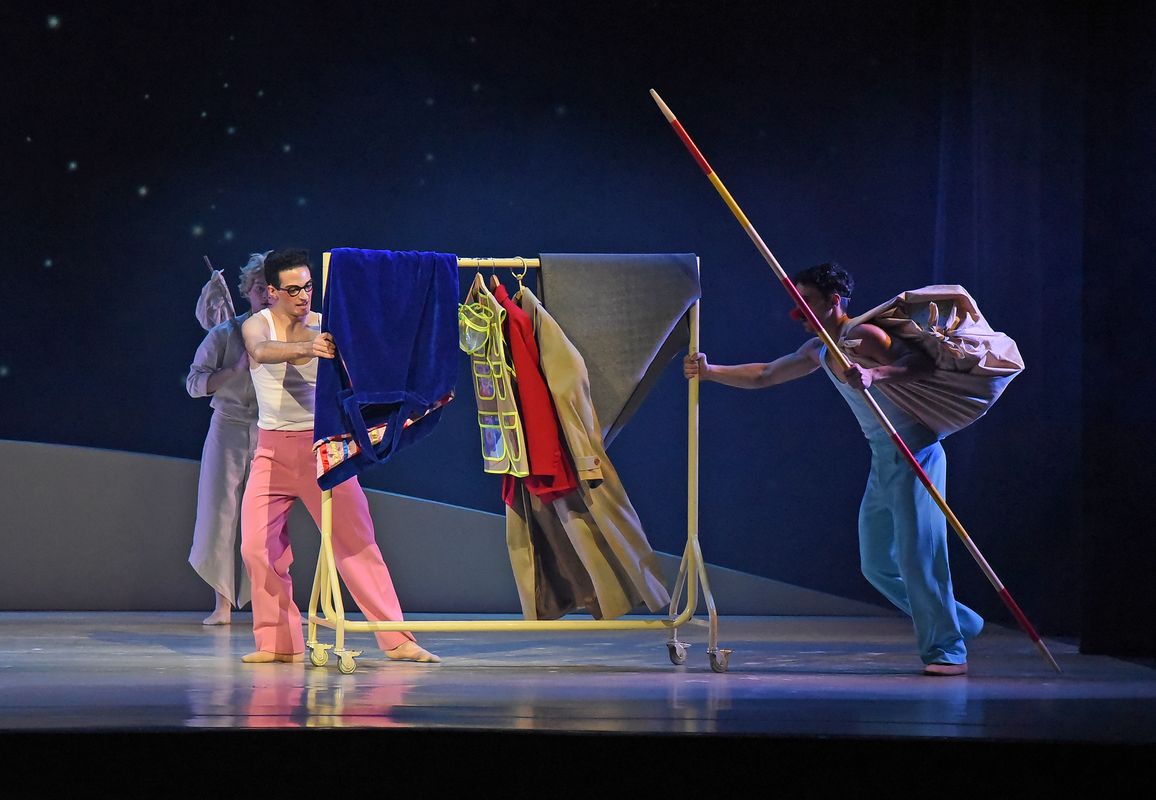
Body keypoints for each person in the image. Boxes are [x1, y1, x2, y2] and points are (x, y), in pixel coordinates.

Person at [684, 262, 982, 676]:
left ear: (834, 301)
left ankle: (947, 650)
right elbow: (766, 374)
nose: (799, 311)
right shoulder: (820, 349)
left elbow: (918, 364)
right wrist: (710, 372)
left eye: (807, 300)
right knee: (877, 565)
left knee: (919, 556)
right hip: (883, 457)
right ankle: (961, 622)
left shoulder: (864, 335)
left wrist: (874, 373)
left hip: (915, 452)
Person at [238, 247, 438, 664]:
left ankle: (397, 639)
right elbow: (261, 351)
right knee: (257, 548)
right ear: (272, 292)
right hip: (271, 452)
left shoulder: (325, 325)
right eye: (293, 290)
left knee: (356, 543)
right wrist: (308, 348)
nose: (303, 296)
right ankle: (279, 643)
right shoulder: (258, 324)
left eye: (308, 287)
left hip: (323, 449)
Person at [186, 252, 271, 625]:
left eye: (271, 288)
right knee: (219, 513)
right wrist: (235, 369)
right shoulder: (224, 334)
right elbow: (195, 383)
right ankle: (222, 604)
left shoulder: (288, 335)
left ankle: (271, 604)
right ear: (247, 290)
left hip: (270, 429)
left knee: (268, 520)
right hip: (228, 427)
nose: (265, 296)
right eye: (258, 288)